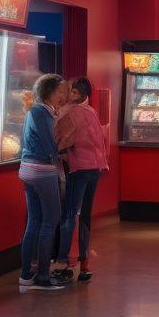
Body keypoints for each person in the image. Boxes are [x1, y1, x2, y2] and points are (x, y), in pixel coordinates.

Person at [52, 77, 109, 283]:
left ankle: (61, 263)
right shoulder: (91, 111)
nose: (64, 94)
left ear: (75, 94)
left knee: (68, 215)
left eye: (68, 91)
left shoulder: (71, 114)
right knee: (85, 216)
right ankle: (85, 264)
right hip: (95, 168)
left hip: (79, 170)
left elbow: (60, 141)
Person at [19, 73, 69, 292]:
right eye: (61, 91)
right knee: (51, 220)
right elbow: (51, 146)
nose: (64, 94)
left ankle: (26, 274)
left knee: (35, 221)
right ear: (49, 92)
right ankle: (42, 277)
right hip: (42, 170)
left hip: (27, 168)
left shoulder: (35, 111)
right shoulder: (43, 112)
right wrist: (63, 150)